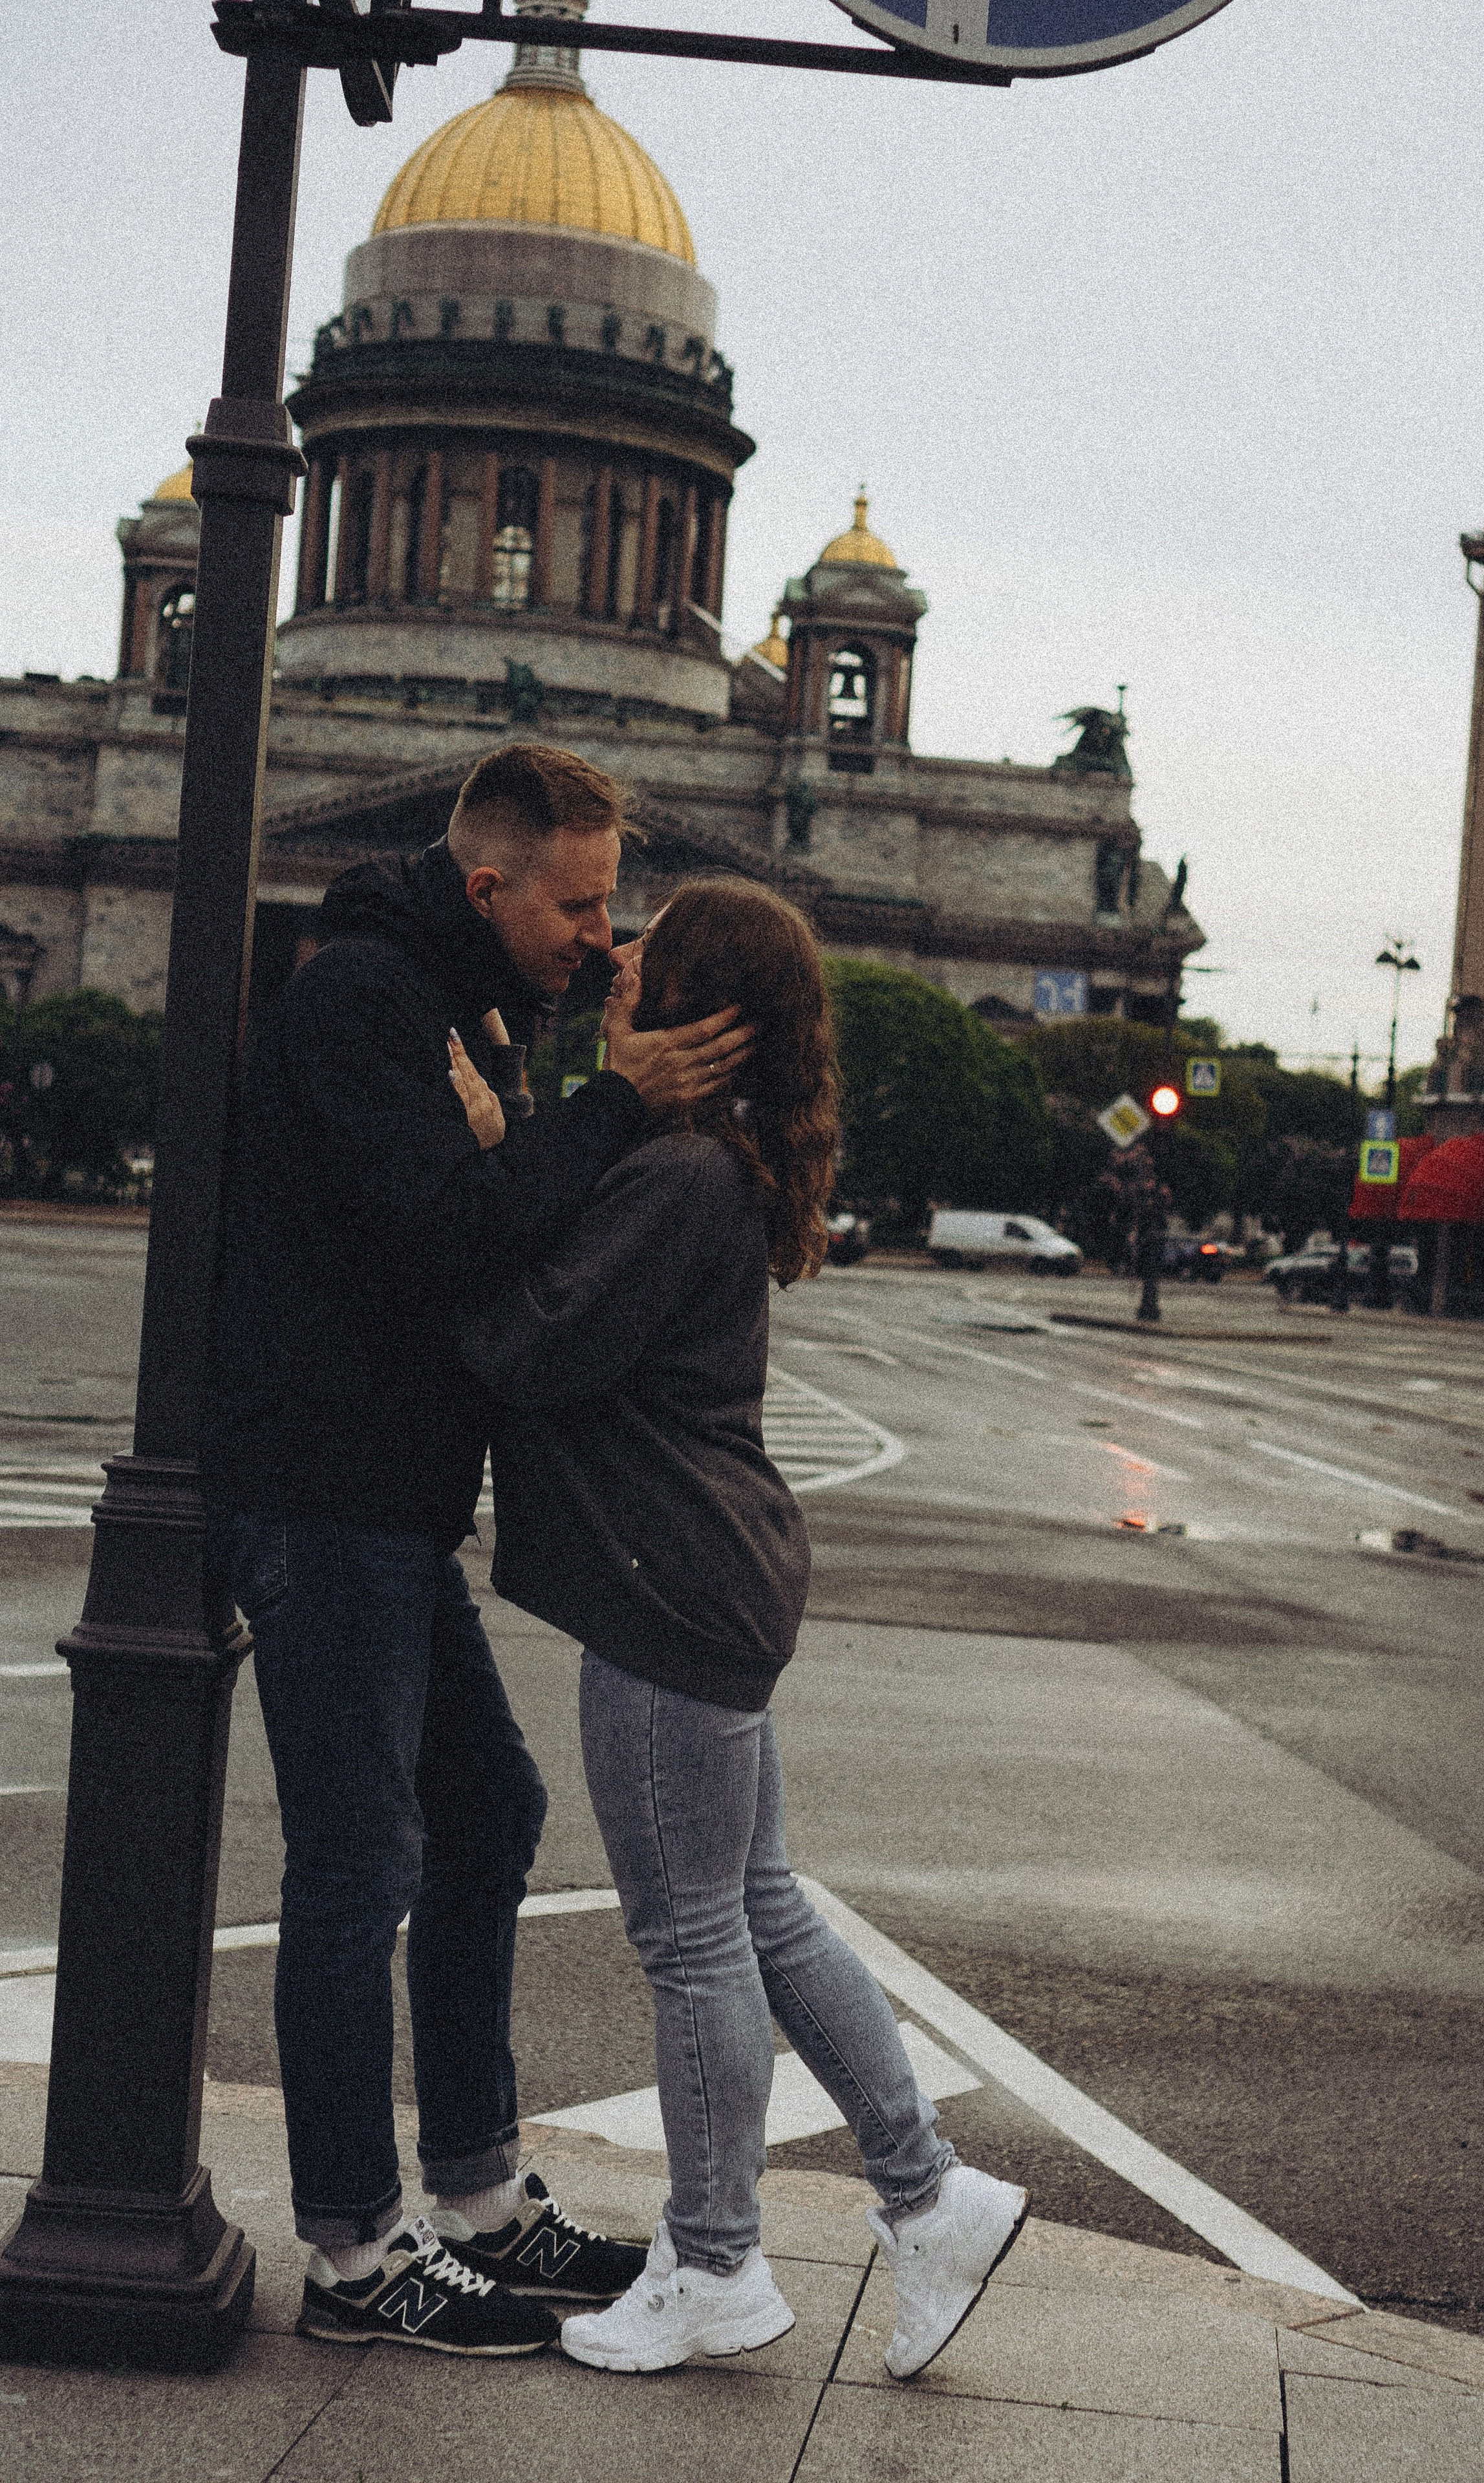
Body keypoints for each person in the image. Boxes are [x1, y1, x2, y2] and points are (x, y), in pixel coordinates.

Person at [204, 744, 750, 2357]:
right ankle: (358, 2254)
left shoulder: (460, 1001)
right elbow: (453, 1231)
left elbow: (496, 1203)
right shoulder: (366, 999)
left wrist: (561, 1087)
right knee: (358, 1866)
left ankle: (476, 2197)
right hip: (322, 1489)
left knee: (486, 1813)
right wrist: (603, 1104)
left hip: (383, 1496)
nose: (600, 934)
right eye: (579, 904)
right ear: (489, 881)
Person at [450, 877, 1028, 2381]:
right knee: (757, 1905)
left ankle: (713, 2263)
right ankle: (927, 2193)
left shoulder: (676, 1179)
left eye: (647, 949)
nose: (616, 955)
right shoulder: (700, 1167)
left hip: (667, 1586)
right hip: (709, 1570)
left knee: (692, 1934)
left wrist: (492, 1164)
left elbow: (522, 1345)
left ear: (697, 1010)